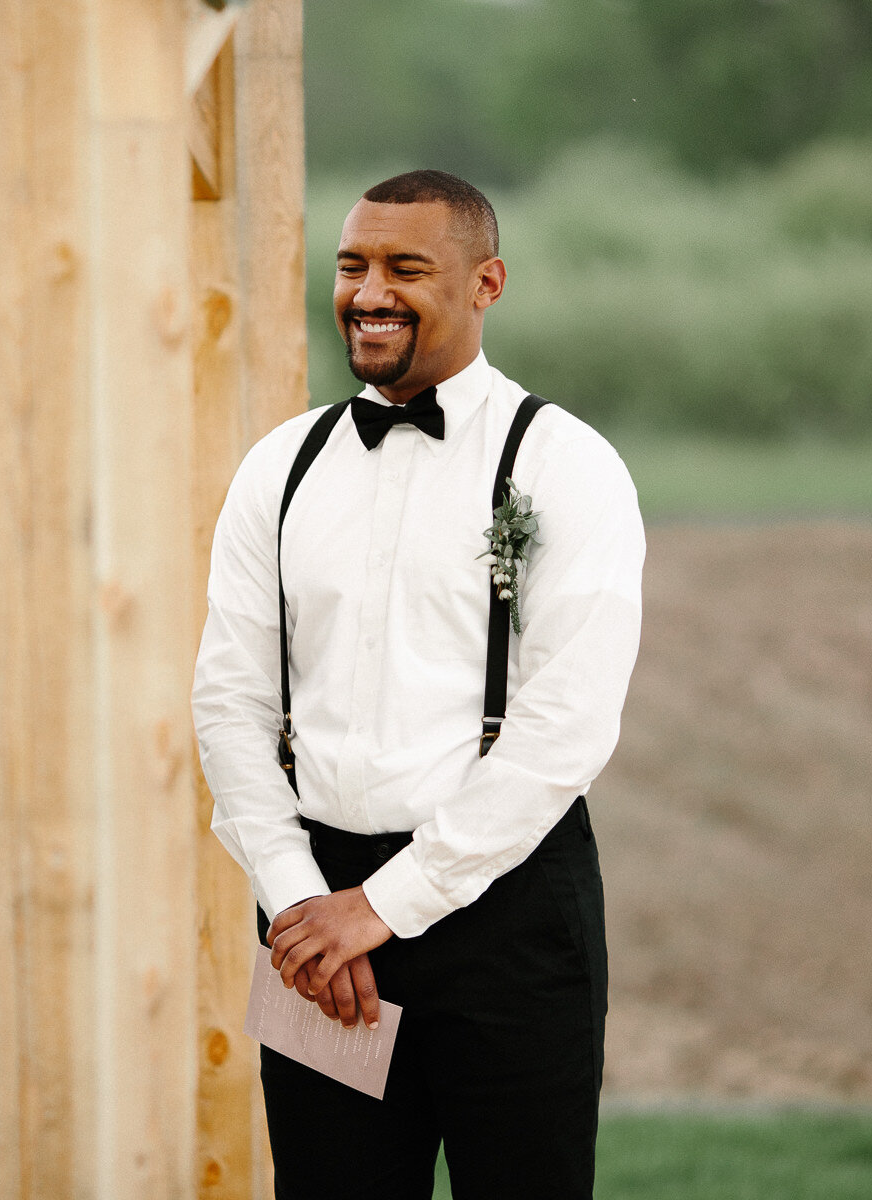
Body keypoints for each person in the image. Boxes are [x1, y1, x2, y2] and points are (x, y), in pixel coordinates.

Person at [193, 170, 644, 1197]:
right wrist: (302, 901)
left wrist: (386, 905)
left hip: (508, 917)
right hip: (316, 936)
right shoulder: (280, 466)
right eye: (353, 266)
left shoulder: (567, 466)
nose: (369, 292)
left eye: (406, 268)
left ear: (486, 283)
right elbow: (229, 700)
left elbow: (564, 728)